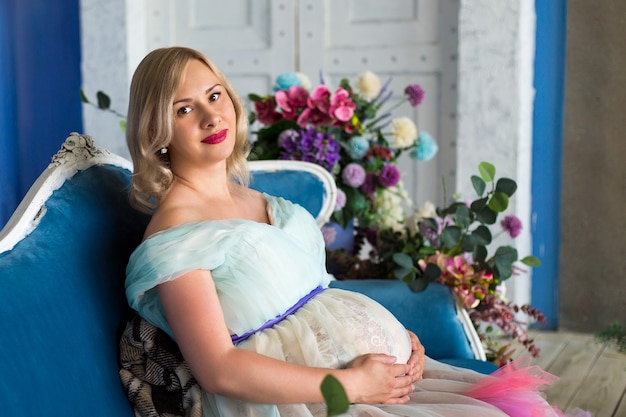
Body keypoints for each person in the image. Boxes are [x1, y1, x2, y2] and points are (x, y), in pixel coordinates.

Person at [124, 47, 590, 417]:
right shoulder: (177, 233)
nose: (210, 116)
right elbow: (218, 369)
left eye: (214, 95)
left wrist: (391, 338)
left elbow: (318, 298)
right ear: (157, 131)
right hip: (302, 402)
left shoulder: (257, 200)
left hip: (370, 381)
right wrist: (351, 384)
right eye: (183, 109)